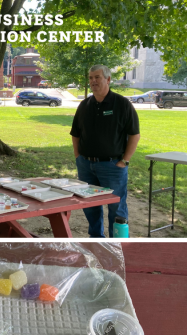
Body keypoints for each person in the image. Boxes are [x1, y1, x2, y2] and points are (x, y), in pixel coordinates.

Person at [70, 64, 140, 238]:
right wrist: (78, 157)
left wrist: (125, 161)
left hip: (113, 166)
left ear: (108, 79)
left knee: (116, 207)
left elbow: (134, 135)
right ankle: (96, 239)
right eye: (91, 78)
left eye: (97, 77)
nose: (93, 81)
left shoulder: (122, 104)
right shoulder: (85, 105)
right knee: (90, 205)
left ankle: (117, 243)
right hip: (86, 165)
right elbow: (76, 134)